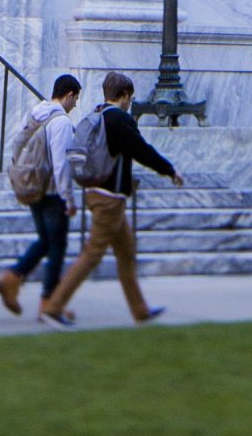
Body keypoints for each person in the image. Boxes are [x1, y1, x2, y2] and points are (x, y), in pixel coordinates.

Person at [41, 70, 184, 326]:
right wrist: (170, 170)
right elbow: (143, 151)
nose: (130, 102)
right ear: (125, 95)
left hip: (97, 193)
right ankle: (53, 307)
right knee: (91, 255)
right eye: (130, 97)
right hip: (109, 199)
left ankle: (140, 310)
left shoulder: (96, 116)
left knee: (126, 253)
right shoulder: (119, 120)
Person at [0, 74, 82, 320]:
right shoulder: (61, 121)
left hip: (31, 186)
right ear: (70, 94)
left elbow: (17, 145)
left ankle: (11, 278)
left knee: (45, 240)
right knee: (57, 245)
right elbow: (61, 163)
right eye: (76, 99)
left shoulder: (35, 113)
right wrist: (69, 198)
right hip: (52, 191)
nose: (75, 105)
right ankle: (49, 303)